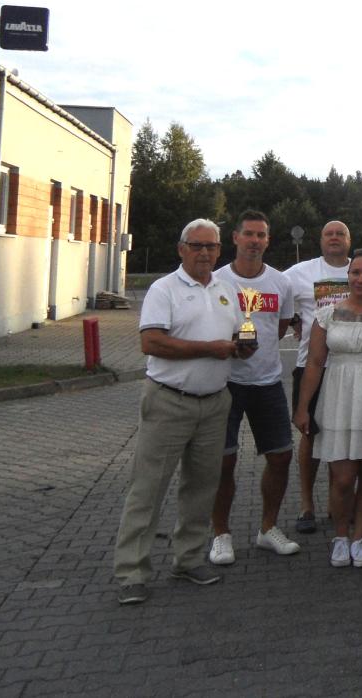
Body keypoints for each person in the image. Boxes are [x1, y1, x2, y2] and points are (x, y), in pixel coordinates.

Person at [112, 219, 239, 605]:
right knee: (148, 487)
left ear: (219, 251)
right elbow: (151, 342)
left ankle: (189, 559)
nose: (204, 253)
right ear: (181, 248)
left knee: (201, 486)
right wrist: (211, 349)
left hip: (214, 402)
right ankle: (132, 571)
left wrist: (240, 346)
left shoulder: (226, 289)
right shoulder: (163, 289)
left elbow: (233, 336)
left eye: (211, 246)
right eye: (197, 245)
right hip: (169, 401)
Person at [293, 249, 362, 568]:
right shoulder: (326, 315)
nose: (361, 278)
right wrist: (303, 408)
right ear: (348, 276)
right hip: (337, 397)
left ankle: (359, 539)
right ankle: (340, 537)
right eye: (356, 272)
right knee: (342, 477)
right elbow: (314, 363)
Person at [208, 210, 301, 566]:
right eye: (248, 234)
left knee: (281, 456)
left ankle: (268, 528)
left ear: (268, 240)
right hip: (225, 382)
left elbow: (279, 328)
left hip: (267, 381)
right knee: (223, 461)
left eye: (261, 235)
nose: (254, 241)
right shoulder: (216, 280)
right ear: (235, 238)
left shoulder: (280, 282)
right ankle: (221, 535)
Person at [283, 220, 352, 535]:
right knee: (310, 435)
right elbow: (276, 294)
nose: (334, 238)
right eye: (329, 234)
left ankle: (336, 503)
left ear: (349, 240)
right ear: (321, 239)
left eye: (340, 233)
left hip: (351, 367)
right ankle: (306, 504)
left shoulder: (361, 269)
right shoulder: (301, 272)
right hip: (312, 366)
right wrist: (294, 319)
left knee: (343, 438)